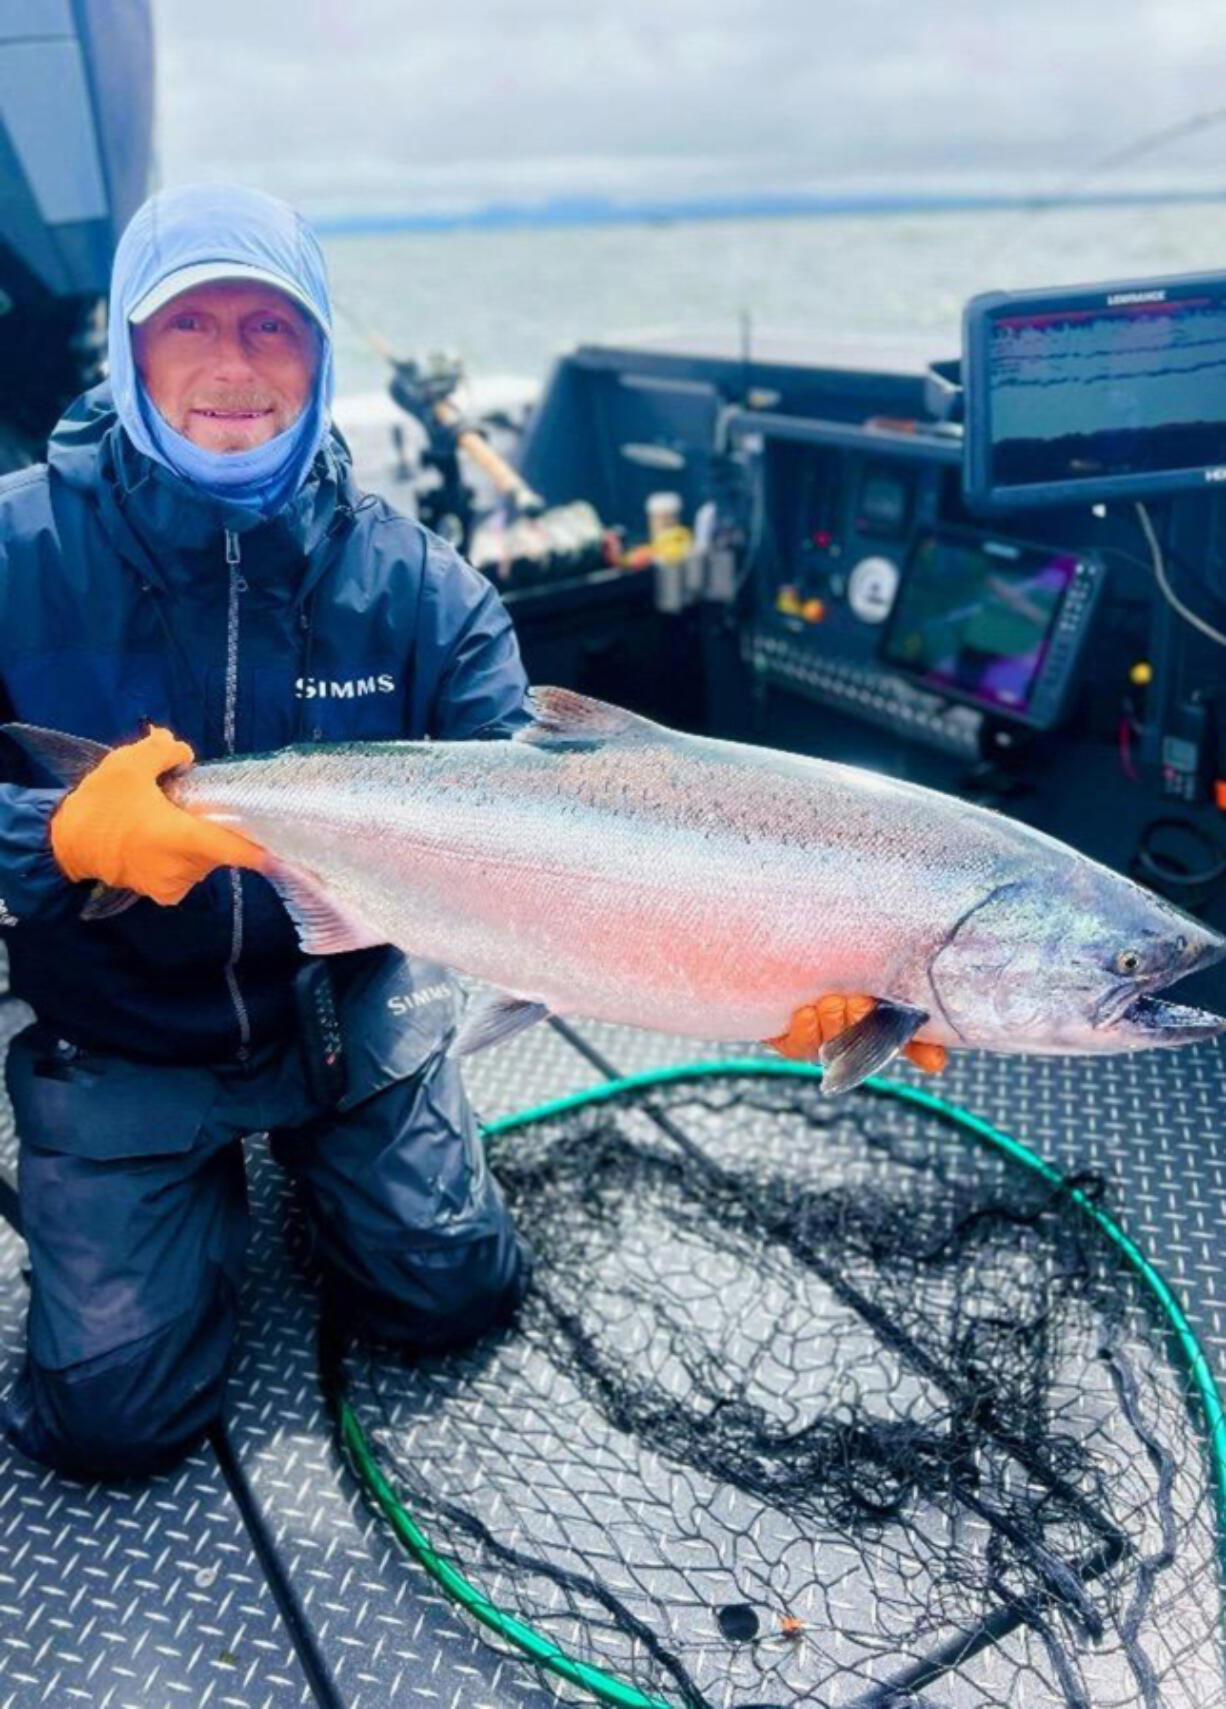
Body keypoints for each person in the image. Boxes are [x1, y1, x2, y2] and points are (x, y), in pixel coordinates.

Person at [0, 183, 944, 1482]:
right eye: (192, 325)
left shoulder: (420, 582)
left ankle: (314, 1175)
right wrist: (56, 842)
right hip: (122, 1034)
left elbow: (552, 823)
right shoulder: (17, 547)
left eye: (272, 330)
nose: (233, 367)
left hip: (346, 1016)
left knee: (447, 1301)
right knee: (115, 1422)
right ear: (127, 348)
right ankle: (183, 1191)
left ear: (321, 353)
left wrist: (777, 964)